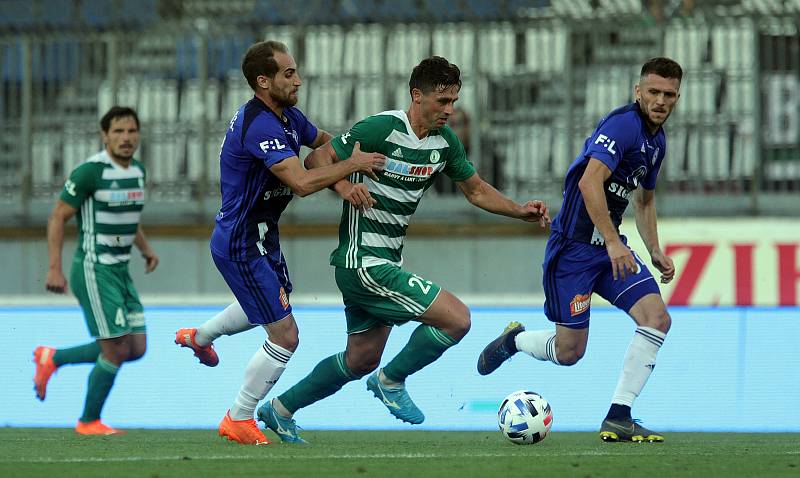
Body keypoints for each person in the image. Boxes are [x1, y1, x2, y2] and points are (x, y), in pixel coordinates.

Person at [254, 56, 550, 444]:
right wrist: (345, 185)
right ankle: (391, 380)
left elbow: (475, 189)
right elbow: (315, 160)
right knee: (457, 319)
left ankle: (279, 410)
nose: (449, 110)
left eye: (454, 101)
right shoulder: (381, 128)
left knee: (360, 358)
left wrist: (518, 210)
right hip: (363, 262)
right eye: (442, 101)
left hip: (383, 260)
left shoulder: (445, 143)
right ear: (417, 95)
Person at [173, 40, 385, 446]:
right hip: (240, 241)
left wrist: (341, 179)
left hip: (262, 235)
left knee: (271, 302)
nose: (298, 80)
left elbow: (323, 143)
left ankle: (200, 338)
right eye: (289, 73)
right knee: (285, 335)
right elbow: (302, 183)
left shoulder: (286, 116)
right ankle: (239, 416)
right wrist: (353, 166)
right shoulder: (260, 125)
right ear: (263, 80)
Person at [477, 57, 682, 443]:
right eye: (653, 91)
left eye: (668, 94)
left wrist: (654, 248)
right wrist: (614, 241)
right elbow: (590, 183)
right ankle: (515, 340)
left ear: (677, 97)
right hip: (572, 250)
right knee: (570, 352)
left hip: (608, 250)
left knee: (657, 317)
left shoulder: (657, 142)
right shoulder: (623, 125)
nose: (660, 100)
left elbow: (645, 202)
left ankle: (619, 415)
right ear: (638, 92)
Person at [34, 106, 159, 435]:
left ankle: (53, 358)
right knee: (116, 349)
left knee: (136, 348)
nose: (126, 137)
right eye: (118, 131)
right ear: (105, 136)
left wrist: (145, 250)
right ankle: (88, 421)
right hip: (94, 268)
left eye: (131, 131)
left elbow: (129, 219)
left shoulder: (139, 172)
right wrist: (54, 269)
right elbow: (58, 216)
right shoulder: (89, 171)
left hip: (121, 270)